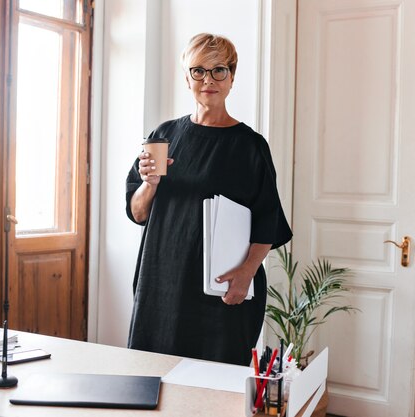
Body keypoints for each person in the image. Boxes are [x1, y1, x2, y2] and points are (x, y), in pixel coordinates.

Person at [125, 33, 292, 366]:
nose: (209, 80)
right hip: (162, 281)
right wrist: (150, 184)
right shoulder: (164, 136)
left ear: (231, 78)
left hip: (220, 286)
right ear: (186, 78)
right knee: (153, 376)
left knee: (216, 382)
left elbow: (268, 221)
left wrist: (246, 273)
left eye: (219, 70)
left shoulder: (250, 146)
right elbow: (138, 212)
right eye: (198, 70)